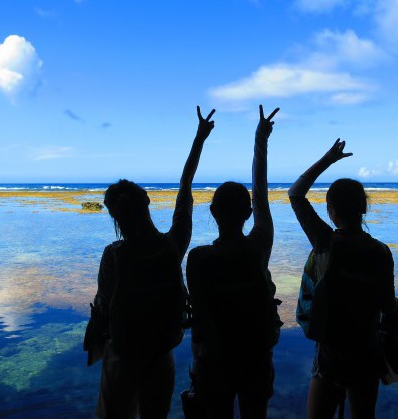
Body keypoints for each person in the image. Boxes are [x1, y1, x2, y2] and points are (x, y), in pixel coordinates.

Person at [91, 106, 215, 418]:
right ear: (146, 200)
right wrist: (199, 138)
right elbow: (185, 187)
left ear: (114, 214)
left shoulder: (114, 256)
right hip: (161, 355)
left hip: (122, 356)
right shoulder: (172, 247)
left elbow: (105, 307)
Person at [185, 105, 283, 419]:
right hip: (255, 359)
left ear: (213, 213)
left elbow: (198, 311)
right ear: (247, 213)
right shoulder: (257, 249)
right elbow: (261, 192)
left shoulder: (198, 260)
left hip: (212, 362)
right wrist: (260, 139)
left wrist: (200, 139)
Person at [288, 139, 397, 419]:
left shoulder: (326, 242)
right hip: (367, 349)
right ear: (363, 208)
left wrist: (327, 160)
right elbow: (388, 304)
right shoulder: (381, 252)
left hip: (331, 352)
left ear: (331, 210)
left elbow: (295, 194)